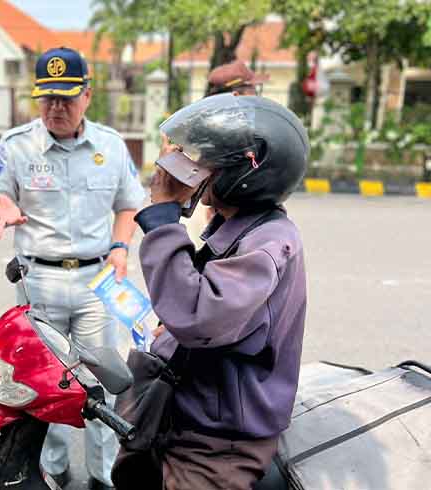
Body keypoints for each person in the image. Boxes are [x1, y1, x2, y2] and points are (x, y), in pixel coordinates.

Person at [113, 94, 309, 490]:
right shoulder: (239, 227)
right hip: (188, 419)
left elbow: (197, 315)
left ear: (245, 173)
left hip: (218, 446)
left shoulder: (268, 244)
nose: (191, 169)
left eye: (205, 162)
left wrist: (166, 214)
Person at [0, 47, 146, 490]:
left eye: (66, 98)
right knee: (44, 384)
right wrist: (4, 205)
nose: (55, 107)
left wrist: (120, 248)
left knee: (100, 382)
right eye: (47, 98)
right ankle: (52, 467)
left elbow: (129, 204)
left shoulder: (110, 146)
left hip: (96, 280)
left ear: (87, 96)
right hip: (40, 281)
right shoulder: (17, 145)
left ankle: (103, 473)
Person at [185, 60, 272, 246]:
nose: (256, 97)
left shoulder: (198, 129)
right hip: (217, 224)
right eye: (252, 91)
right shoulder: (240, 134)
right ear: (237, 95)